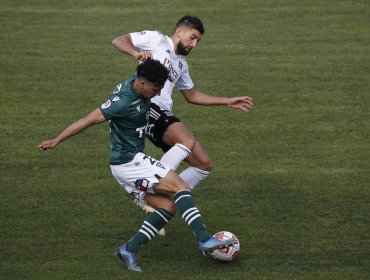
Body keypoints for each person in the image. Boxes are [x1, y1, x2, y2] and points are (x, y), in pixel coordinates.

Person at [38, 60, 236, 273]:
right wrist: (56, 140)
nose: (158, 92)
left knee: (168, 206)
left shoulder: (141, 87)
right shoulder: (122, 102)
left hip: (128, 164)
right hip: (129, 162)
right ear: (141, 83)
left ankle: (128, 250)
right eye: (155, 88)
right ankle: (204, 239)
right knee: (181, 187)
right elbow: (87, 120)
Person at [112, 15, 253, 196]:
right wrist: (136, 53)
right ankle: (147, 187)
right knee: (186, 140)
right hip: (149, 106)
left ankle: (162, 197)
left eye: (198, 41)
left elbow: (192, 95)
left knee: (203, 165)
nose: (194, 44)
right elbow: (119, 40)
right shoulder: (156, 39)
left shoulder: (181, 64)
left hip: (162, 114)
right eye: (192, 37)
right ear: (179, 32)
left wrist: (227, 101)